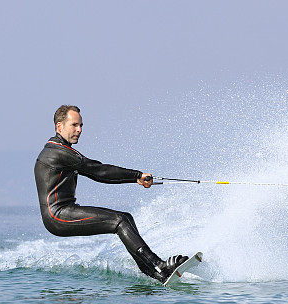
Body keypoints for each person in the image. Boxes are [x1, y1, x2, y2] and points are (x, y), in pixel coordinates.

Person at [34, 105, 188, 282]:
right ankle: (158, 266)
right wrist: (137, 176)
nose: (79, 130)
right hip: (57, 215)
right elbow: (99, 171)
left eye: (81, 125)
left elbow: (98, 173)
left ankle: (152, 273)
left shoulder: (61, 150)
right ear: (59, 126)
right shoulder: (58, 152)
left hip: (63, 212)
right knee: (119, 221)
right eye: (74, 125)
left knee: (126, 217)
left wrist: (134, 178)